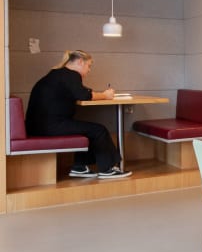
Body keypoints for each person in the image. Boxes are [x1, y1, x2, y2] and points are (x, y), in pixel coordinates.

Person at [25, 50, 132, 179]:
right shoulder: (71, 75)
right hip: (50, 126)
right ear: (80, 62)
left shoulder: (58, 74)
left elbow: (80, 91)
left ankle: (79, 167)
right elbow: (83, 95)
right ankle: (107, 169)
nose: (89, 70)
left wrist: (99, 94)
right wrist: (105, 95)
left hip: (37, 126)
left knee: (87, 130)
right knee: (98, 130)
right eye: (89, 66)